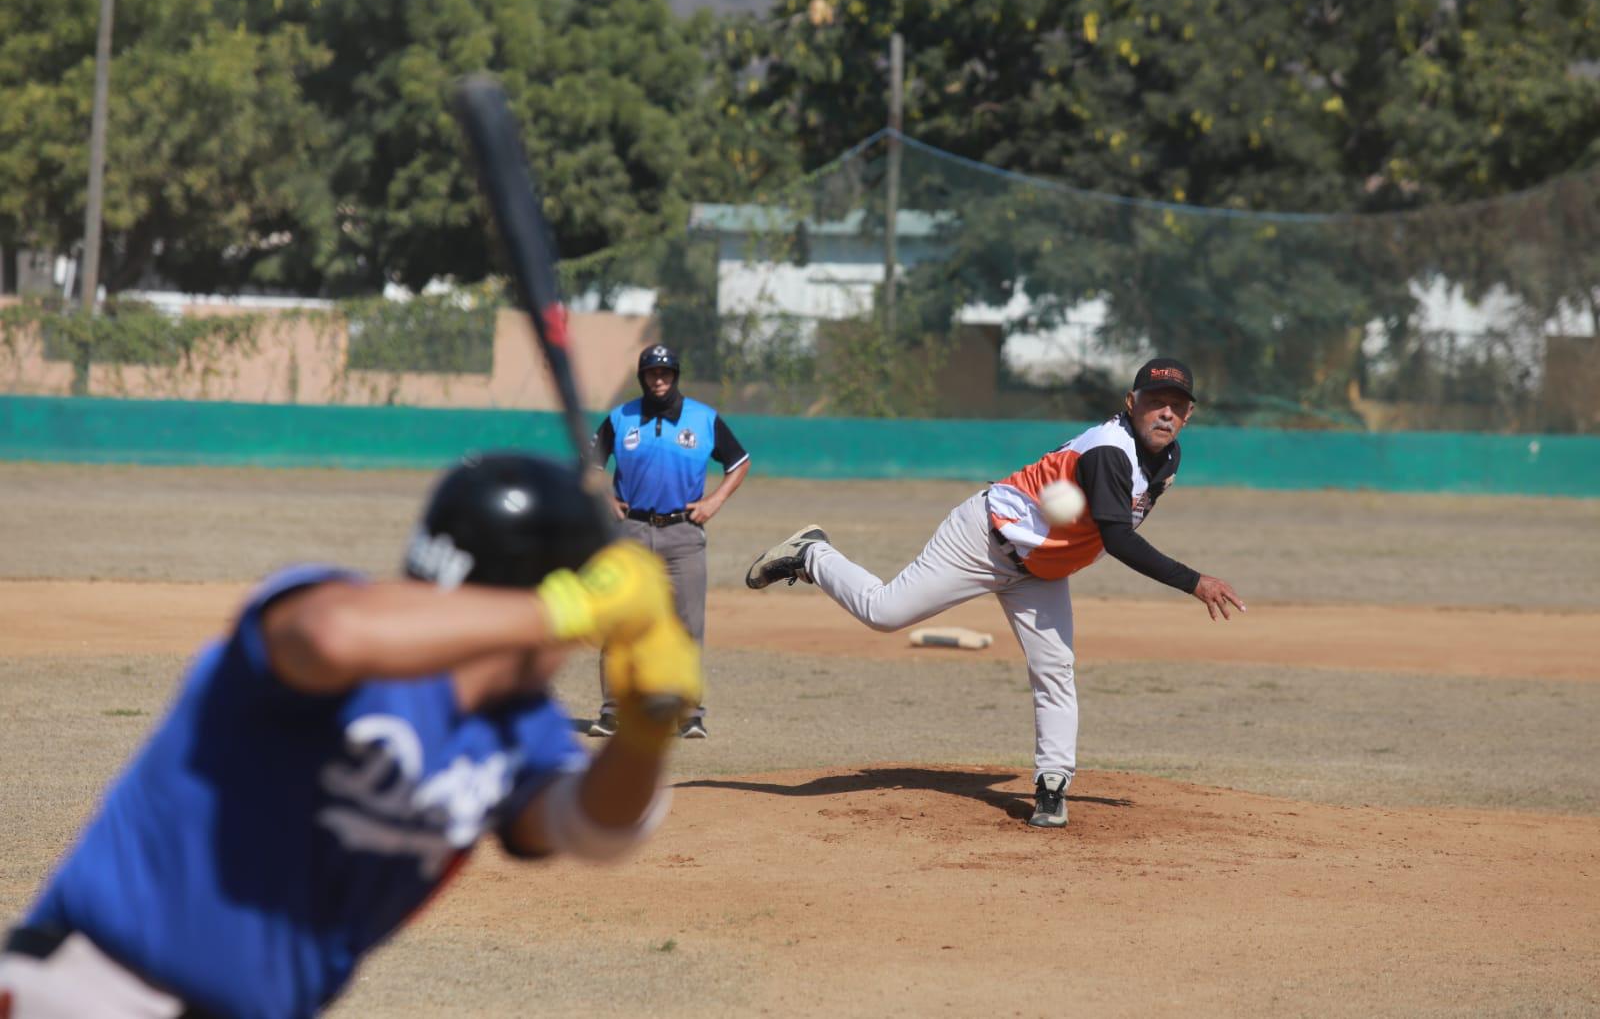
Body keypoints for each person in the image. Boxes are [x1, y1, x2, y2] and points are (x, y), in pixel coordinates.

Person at [0, 452, 701, 1018]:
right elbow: (328, 638)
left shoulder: (523, 727)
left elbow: (589, 826)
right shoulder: (328, 611)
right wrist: (563, 608)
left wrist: (645, 729)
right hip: (92, 990)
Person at [744, 357, 1244, 830]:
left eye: (1177, 404)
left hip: (1042, 568)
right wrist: (1195, 581)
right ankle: (812, 554)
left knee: (1055, 667)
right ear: (1130, 401)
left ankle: (1053, 785)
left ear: (1189, 414)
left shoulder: (1166, 454)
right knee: (884, 612)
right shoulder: (1111, 452)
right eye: (1156, 399)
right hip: (985, 539)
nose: (1166, 412)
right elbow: (1118, 538)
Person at [587, 343, 751, 741]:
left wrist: (714, 501)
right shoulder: (620, 418)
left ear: (675, 376)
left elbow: (739, 461)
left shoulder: (703, 418)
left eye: (665, 373)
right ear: (642, 377)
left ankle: (689, 714)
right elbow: (588, 464)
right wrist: (604, 497)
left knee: (687, 627)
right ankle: (613, 711)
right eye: (651, 373)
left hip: (683, 533)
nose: (658, 380)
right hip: (631, 532)